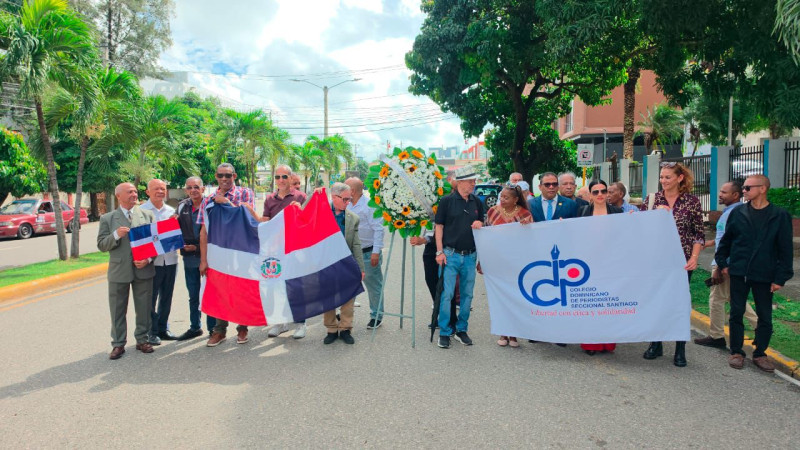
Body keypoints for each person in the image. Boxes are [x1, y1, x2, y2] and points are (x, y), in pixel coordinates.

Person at [716, 175, 793, 372]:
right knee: (736, 312)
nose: (744, 191)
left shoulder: (779, 215)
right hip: (739, 271)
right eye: (744, 188)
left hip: (765, 274)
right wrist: (723, 263)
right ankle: (736, 352)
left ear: (762, 189)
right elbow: (726, 241)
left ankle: (760, 353)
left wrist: (780, 278)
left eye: (748, 188)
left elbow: (785, 249)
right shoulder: (739, 212)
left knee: (765, 316)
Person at [640, 162, 704, 367]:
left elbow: (698, 234)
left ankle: (680, 348)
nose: (663, 181)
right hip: (655, 260)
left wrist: (694, 257)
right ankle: (655, 343)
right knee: (656, 301)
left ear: (680, 178)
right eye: (661, 177)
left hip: (681, 261)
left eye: (668, 177)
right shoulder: (652, 199)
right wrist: (648, 215)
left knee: (679, 304)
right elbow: (640, 225)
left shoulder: (692, 202)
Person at [694, 182, 758, 349]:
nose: (720, 194)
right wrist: (709, 243)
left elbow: (735, 241)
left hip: (726, 263)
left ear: (735, 195)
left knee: (717, 299)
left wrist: (722, 267)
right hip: (728, 262)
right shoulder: (730, 211)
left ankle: (717, 337)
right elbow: (724, 237)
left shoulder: (735, 213)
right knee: (734, 297)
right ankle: (761, 327)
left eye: (724, 192)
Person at [97, 182, 156, 360]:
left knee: (144, 307)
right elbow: (101, 245)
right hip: (119, 270)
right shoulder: (107, 219)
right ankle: (118, 344)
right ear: (118, 196)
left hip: (143, 269)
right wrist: (116, 235)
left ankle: (142, 339)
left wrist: (148, 259)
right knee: (117, 309)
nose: (134, 194)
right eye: (129, 192)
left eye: (135, 191)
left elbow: (155, 242)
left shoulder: (147, 215)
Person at [200, 163, 256, 347]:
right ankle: (219, 330)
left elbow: (249, 219)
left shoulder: (245, 193)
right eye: (220, 175)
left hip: (241, 251)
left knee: (241, 289)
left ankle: (242, 327)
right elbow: (204, 231)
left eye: (228, 175)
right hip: (218, 253)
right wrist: (203, 259)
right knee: (219, 291)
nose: (224, 178)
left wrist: (228, 204)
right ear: (216, 176)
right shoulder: (207, 199)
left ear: (235, 175)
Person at [435, 165, 485, 349]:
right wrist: (439, 252)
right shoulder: (447, 201)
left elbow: (483, 226)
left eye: (474, 181)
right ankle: (445, 331)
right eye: (470, 181)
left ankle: (462, 329)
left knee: (467, 295)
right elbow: (438, 226)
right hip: (450, 254)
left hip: (470, 256)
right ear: (460, 182)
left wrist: (481, 222)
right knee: (447, 295)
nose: (473, 184)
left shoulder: (477, 202)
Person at [477, 184, 532, 348]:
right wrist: (483, 259)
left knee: (515, 297)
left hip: (516, 263)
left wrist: (527, 226)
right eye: (501, 196)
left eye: (506, 198)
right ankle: (503, 332)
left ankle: (514, 334)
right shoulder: (492, 211)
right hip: (496, 262)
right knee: (499, 297)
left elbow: (532, 239)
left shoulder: (525, 214)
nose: (502, 200)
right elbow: (485, 236)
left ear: (516, 200)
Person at [262, 165, 309, 339]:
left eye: (284, 176)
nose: (280, 180)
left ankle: (300, 323)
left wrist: (300, 210)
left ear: (290, 178)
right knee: (276, 287)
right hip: (276, 251)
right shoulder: (269, 199)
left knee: (296, 287)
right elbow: (265, 223)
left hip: (295, 250)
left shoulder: (301, 197)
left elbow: (309, 221)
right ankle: (280, 323)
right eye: (277, 177)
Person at [578, 180, 622, 355]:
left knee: (608, 304)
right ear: (590, 195)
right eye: (595, 192)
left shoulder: (618, 213)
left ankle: (607, 343)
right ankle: (591, 344)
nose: (600, 195)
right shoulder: (582, 213)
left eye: (603, 191)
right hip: (588, 265)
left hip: (611, 264)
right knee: (591, 303)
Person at [322, 183, 366, 345]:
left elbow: (356, 244)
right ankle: (331, 329)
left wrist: (361, 268)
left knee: (349, 297)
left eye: (350, 199)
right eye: (346, 199)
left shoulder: (353, 218)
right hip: (326, 264)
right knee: (328, 297)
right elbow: (302, 218)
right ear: (334, 197)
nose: (349, 202)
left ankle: (346, 328)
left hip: (346, 264)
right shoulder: (320, 213)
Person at [175, 176, 215, 340]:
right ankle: (195, 327)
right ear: (186, 190)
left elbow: (216, 233)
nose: (193, 190)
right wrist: (180, 244)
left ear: (203, 188)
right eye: (190, 187)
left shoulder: (211, 206)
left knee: (209, 293)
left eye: (196, 187)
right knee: (193, 294)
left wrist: (198, 247)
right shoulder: (181, 206)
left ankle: (213, 329)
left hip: (209, 257)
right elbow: (174, 231)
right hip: (189, 258)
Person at [139, 178, 178, 345]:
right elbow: (141, 238)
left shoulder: (172, 211)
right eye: (156, 189)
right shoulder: (140, 211)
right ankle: (151, 331)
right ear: (148, 192)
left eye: (163, 188)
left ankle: (163, 328)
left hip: (170, 260)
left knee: (166, 297)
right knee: (151, 298)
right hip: (151, 263)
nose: (160, 192)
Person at [345, 177, 385, 329]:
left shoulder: (370, 205)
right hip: (350, 252)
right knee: (348, 285)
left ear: (353, 191)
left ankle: (376, 315)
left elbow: (378, 229)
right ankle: (345, 315)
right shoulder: (346, 203)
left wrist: (376, 252)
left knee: (374, 286)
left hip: (368, 253)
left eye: (345, 187)